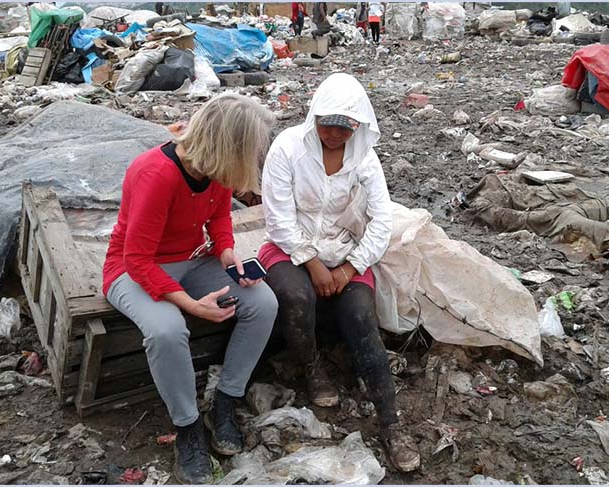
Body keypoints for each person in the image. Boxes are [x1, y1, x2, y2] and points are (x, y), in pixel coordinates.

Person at [102, 94, 278, 485]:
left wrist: (228, 253)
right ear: (227, 146)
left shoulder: (212, 170)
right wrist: (191, 306)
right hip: (132, 268)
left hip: (191, 258)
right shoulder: (156, 173)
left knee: (262, 302)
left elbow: (218, 217)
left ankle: (226, 400)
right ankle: (188, 426)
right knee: (166, 330)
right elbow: (138, 260)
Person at [259, 73, 421, 473]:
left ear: (358, 126)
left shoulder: (364, 157)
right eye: (327, 123)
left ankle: (391, 424)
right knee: (297, 298)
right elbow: (278, 218)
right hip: (291, 249)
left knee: (362, 317)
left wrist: (349, 268)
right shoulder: (288, 148)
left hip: (347, 251)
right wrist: (312, 263)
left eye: (344, 126)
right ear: (314, 116)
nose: (334, 133)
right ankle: (312, 370)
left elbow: (381, 220)